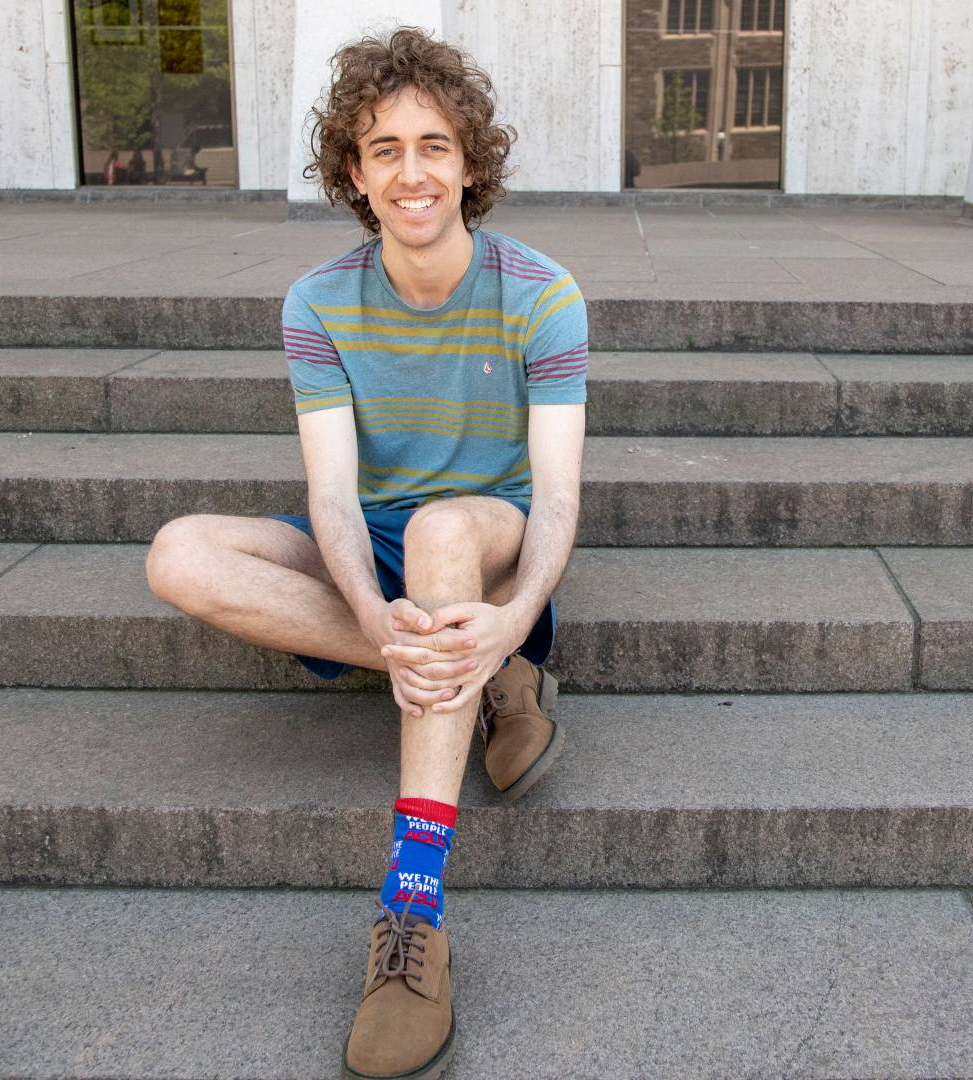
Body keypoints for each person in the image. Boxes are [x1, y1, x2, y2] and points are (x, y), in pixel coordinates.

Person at [144, 27, 586, 1080]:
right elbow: (333, 499)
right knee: (179, 554)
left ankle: (414, 914)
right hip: (377, 557)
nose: (412, 171)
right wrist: (384, 621)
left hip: (488, 545)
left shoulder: (541, 292)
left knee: (441, 528)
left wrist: (515, 615)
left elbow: (561, 492)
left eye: (434, 145)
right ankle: (483, 684)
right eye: (383, 149)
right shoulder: (319, 303)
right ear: (353, 170)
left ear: (470, 163)